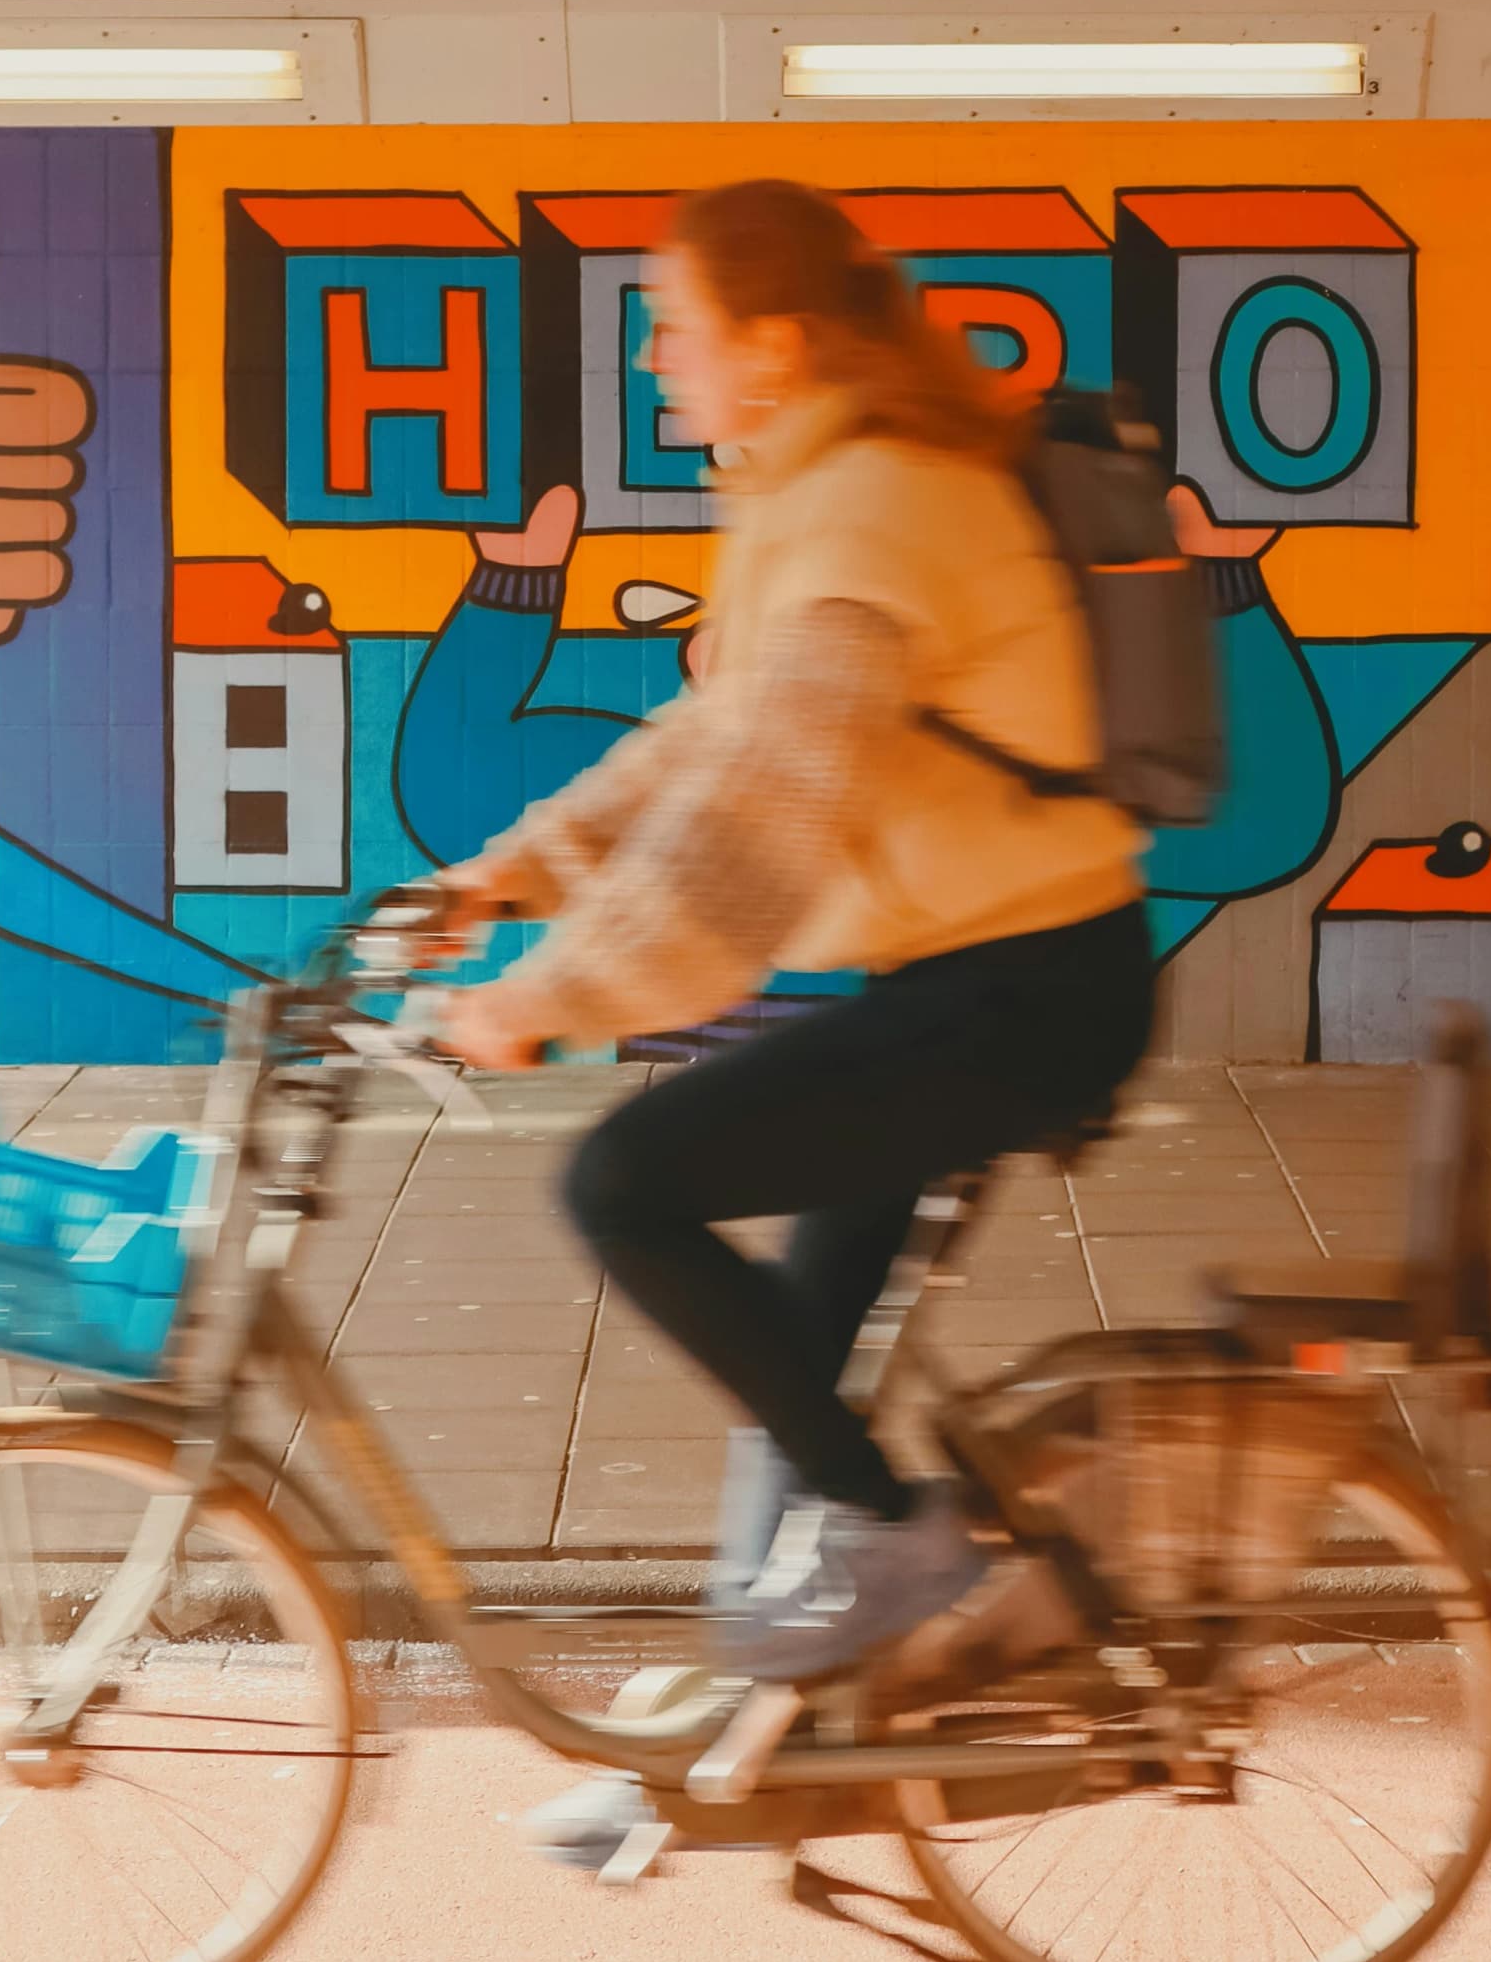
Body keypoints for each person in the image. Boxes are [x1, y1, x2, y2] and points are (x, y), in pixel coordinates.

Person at [430, 178, 1156, 1702]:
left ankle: (908, 1546)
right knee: (794, 1377)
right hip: (970, 982)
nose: (654, 358)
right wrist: (496, 885)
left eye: (674, 325)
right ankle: (753, 1730)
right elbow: (705, 743)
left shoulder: (876, 504)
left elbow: (761, 816)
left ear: (770, 342)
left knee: (623, 1185)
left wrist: (552, 997)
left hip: (1023, 994)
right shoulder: (813, 492)